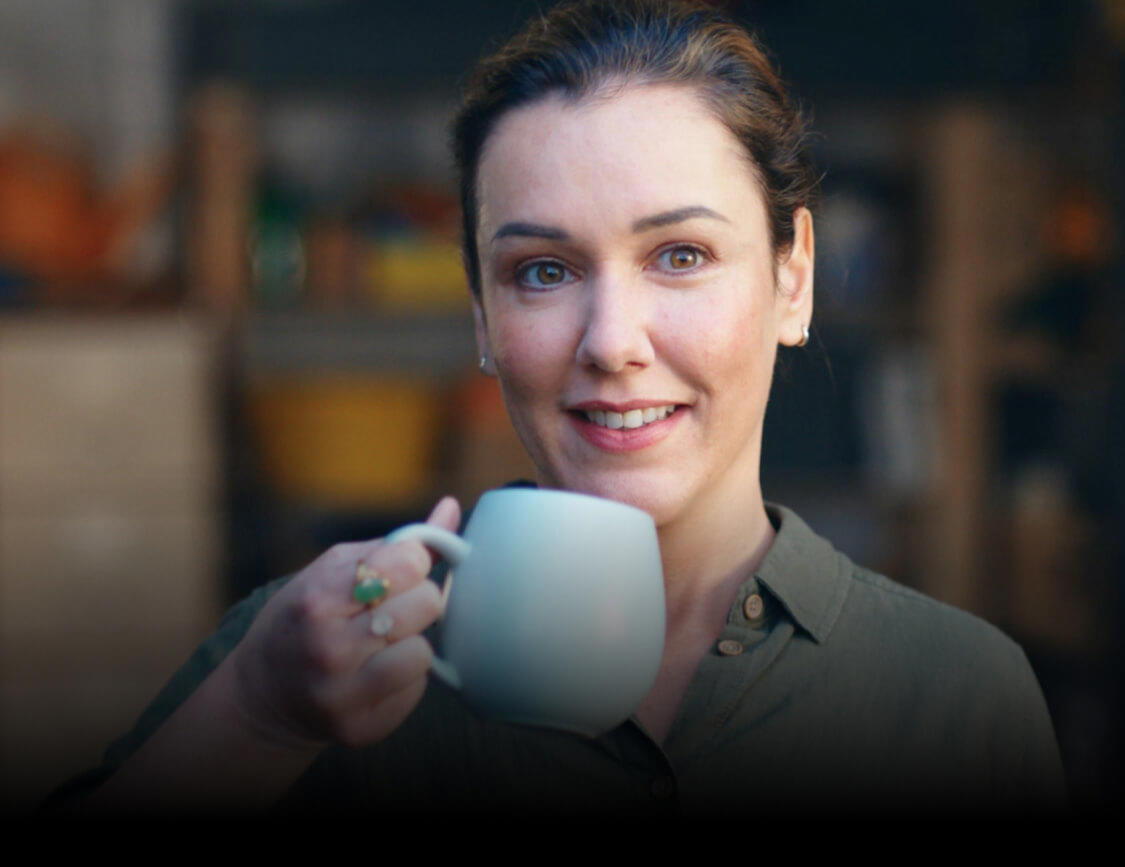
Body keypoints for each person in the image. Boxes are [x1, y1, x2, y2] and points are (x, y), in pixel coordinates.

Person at [52, 0, 1064, 812]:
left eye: (680, 256)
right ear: (483, 317)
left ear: (792, 280)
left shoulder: (965, 701)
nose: (611, 340)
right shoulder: (302, 661)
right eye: (542, 270)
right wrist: (258, 720)